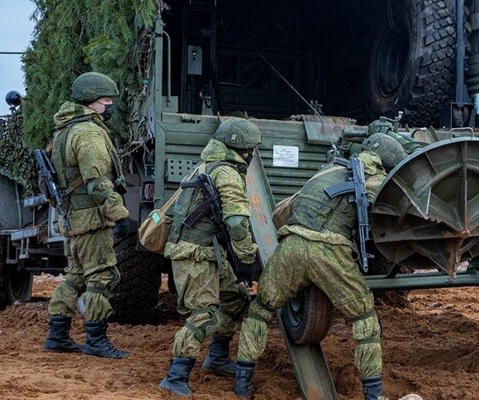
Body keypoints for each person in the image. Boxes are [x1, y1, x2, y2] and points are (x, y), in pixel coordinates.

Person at [232, 133, 407, 400]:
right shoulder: (379, 184)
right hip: (330, 252)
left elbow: (282, 211)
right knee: (365, 320)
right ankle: (373, 394)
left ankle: (242, 383)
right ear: (387, 163)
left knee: (259, 310)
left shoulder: (326, 171)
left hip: (292, 244)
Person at [159, 118, 262, 396]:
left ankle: (216, 357)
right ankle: (176, 376)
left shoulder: (208, 164)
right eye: (252, 148)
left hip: (207, 252)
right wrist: (247, 259)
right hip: (195, 254)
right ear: (243, 148)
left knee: (236, 298)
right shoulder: (227, 172)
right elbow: (238, 222)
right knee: (203, 314)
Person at [43, 72, 130, 359]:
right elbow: (96, 182)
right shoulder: (89, 132)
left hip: (72, 218)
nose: (110, 105)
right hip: (91, 218)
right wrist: (119, 214)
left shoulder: (64, 129)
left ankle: (57, 335)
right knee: (101, 277)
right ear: (92, 102)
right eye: (107, 100)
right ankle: (96, 340)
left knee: (75, 277)